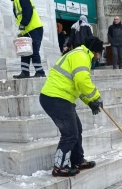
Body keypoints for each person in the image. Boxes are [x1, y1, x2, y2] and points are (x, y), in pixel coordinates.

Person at [39, 36, 104, 177]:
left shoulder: (78, 54)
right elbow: (82, 80)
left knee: (77, 129)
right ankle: (59, 166)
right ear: (96, 52)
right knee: (69, 133)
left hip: (61, 98)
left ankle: (77, 160)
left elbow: (78, 86)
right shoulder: (81, 56)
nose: (98, 58)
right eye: (99, 54)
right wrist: (95, 97)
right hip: (55, 98)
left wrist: (90, 102)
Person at [3, 0, 46, 79]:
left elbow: (28, 10)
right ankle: (25, 72)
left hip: (35, 29)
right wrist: (21, 31)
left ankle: (40, 72)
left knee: (34, 51)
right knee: (24, 51)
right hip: (27, 30)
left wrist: (23, 24)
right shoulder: (15, 2)